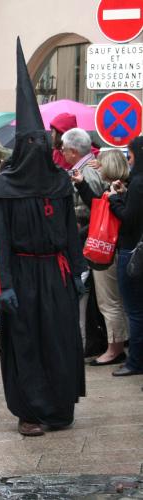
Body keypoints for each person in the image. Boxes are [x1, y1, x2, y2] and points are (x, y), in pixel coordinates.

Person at [0, 38, 86, 438]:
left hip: (57, 274)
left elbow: (68, 232)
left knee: (61, 340)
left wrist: (78, 270)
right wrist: (4, 284)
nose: (35, 148)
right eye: (28, 143)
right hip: (23, 276)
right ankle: (29, 411)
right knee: (27, 344)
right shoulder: (4, 187)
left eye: (40, 143)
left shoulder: (60, 183)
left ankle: (59, 407)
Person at [71, 149, 129, 365]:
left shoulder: (116, 191)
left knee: (109, 302)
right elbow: (98, 207)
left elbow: (101, 215)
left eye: (101, 164)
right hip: (114, 251)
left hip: (109, 253)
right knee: (114, 302)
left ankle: (115, 350)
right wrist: (82, 184)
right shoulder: (117, 188)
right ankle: (116, 346)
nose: (98, 167)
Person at [62, 127, 106, 351]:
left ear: (73, 151)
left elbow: (97, 208)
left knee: (88, 294)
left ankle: (88, 342)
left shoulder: (87, 172)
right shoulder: (85, 168)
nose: (61, 152)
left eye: (64, 148)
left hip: (88, 237)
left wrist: (80, 228)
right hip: (85, 235)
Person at [108, 137, 143, 377]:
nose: (128, 162)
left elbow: (129, 219)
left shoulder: (139, 183)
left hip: (132, 252)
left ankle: (136, 362)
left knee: (134, 311)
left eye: (129, 156)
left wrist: (114, 200)